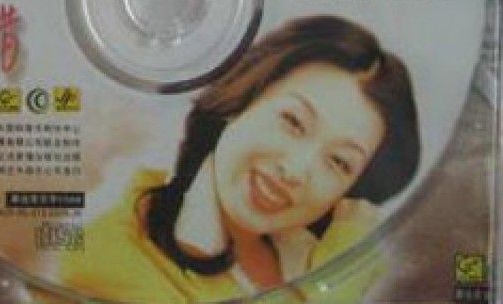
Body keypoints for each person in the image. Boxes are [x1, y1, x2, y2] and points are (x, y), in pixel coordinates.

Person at [61, 15, 421, 304]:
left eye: (339, 162)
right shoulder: (110, 253)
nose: (296, 170)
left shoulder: (312, 249)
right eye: (293, 122)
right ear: (242, 99)